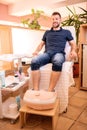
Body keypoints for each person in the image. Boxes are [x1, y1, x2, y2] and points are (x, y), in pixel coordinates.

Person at [31, 12, 77, 92]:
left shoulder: (66, 32)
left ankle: (50, 90)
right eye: (52, 19)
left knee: (58, 61)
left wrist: (73, 51)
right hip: (47, 54)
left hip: (59, 53)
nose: (54, 20)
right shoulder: (47, 32)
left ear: (60, 20)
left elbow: (73, 43)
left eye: (56, 19)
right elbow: (41, 44)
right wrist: (36, 51)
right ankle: (35, 89)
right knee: (34, 61)